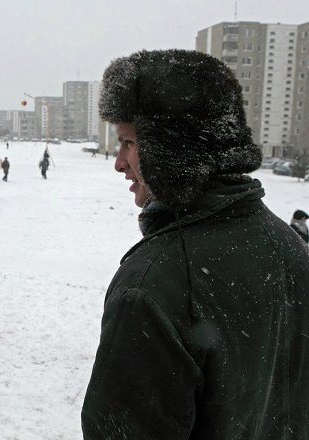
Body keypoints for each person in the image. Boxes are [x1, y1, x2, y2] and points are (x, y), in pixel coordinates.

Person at [82, 49, 309, 439]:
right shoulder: (289, 246)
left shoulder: (153, 287)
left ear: (172, 149)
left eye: (129, 143)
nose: (119, 162)